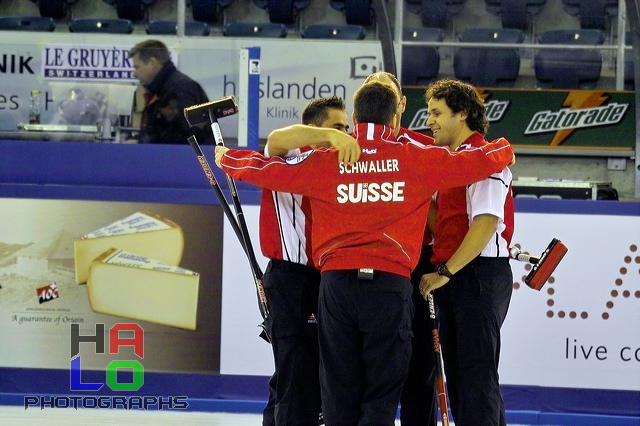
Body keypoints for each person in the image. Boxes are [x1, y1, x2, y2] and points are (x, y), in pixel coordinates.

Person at [215, 81, 515, 425]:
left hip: (336, 288)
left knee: (339, 390)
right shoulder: (414, 156)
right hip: (390, 288)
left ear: (355, 118)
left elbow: (268, 170)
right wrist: (504, 149)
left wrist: (228, 159)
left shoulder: (328, 160)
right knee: (382, 392)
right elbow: (473, 163)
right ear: (395, 117)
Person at [419, 79, 515, 426]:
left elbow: (485, 224)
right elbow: (444, 222)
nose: (429, 120)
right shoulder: (453, 163)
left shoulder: (484, 159)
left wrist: (445, 272)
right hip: (460, 276)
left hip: (477, 275)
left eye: (436, 113)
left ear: (461, 114)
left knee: (474, 377)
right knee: (463, 377)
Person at [261, 97, 354, 426]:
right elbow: (275, 140)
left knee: (308, 373)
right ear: (314, 129)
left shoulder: (340, 164)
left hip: (329, 277)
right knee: (295, 373)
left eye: (347, 128)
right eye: (337, 127)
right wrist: (329, 138)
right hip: (291, 278)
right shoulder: (291, 156)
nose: (345, 134)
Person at [363, 71, 439, 426]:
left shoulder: (423, 148)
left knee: (420, 360)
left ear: (401, 104)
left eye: (387, 94)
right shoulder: (349, 145)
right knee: (367, 363)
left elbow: (441, 212)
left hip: (415, 264)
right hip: (362, 265)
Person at [129, 39, 210, 144]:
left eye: (137, 67)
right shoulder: (163, 88)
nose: (134, 74)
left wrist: (142, 145)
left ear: (152, 63)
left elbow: (183, 138)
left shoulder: (179, 89)